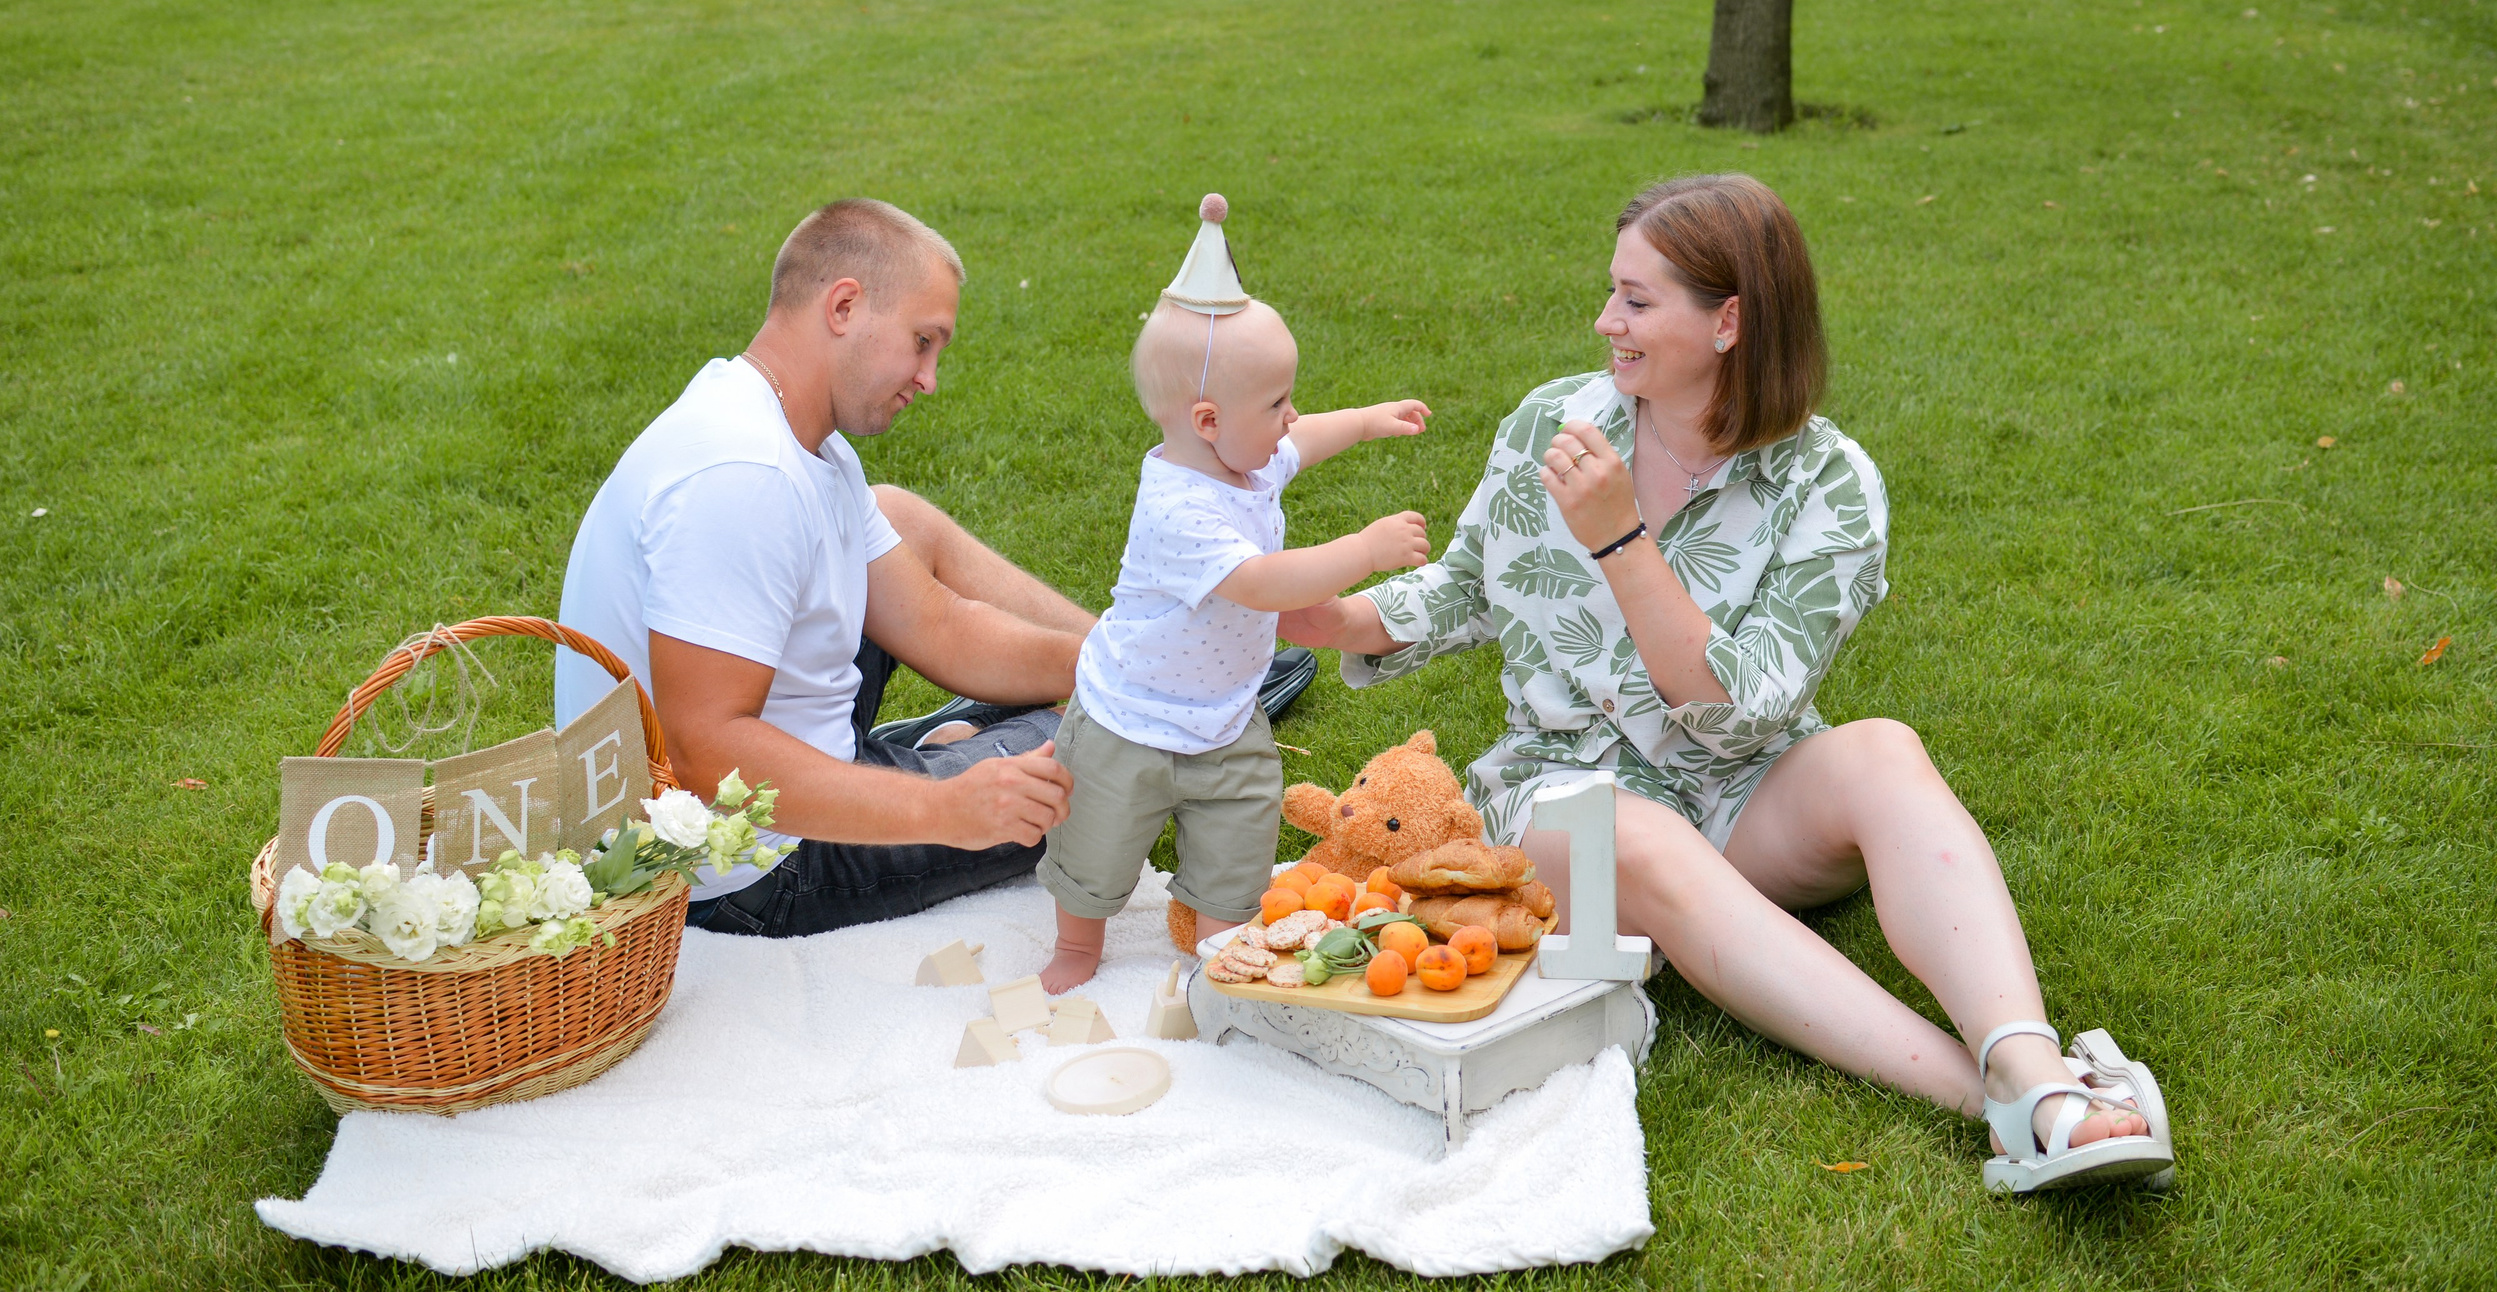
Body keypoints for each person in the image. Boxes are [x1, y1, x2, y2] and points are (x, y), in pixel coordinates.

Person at [1282, 174, 2175, 1194]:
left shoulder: (1828, 483)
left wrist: (1619, 537)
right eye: (1611, 291)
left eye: (1636, 300)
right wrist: (1336, 617)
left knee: (1881, 749)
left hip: (1739, 781)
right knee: (1628, 830)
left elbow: (1738, 705)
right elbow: (1469, 584)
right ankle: (2017, 1103)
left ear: (1730, 321)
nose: (1603, 320)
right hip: (1560, 795)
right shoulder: (1555, 420)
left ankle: (2026, 1055)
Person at [554, 199, 1096, 938]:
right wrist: (951, 810)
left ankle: (945, 746)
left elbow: (938, 623)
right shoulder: (744, 473)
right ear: (844, 305)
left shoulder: (797, 438)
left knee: (1107, 713)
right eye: (922, 341)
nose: (930, 377)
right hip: (747, 870)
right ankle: (939, 757)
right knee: (1107, 764)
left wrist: (1110, 665)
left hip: (771, 796)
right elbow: (706, 752)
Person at [1037, 196, 1430, 991]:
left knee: (1239, 837)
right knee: (1095, 846)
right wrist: (1364, 550)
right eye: (1277, 403)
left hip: (1226, 715)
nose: (1291, 419)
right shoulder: (1179, 505)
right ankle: (1077, 945)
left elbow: (1303, 442)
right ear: (1208, 418)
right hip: (1130, 722)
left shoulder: (1246, 460)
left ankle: (1222, 949)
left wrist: (1361, 420)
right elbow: (1261, 584)